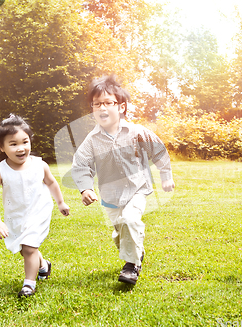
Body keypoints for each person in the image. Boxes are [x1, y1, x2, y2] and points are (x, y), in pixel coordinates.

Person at [71, 75, 175, 285]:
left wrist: (166, 176)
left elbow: (159, 151)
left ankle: (131, 266)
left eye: (108, 102)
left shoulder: (136, 132)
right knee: (120, 232)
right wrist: (85, 189)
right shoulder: (92, 140)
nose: (102, 108)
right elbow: (81, 165)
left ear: (121, 106)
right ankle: (137, 250)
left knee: (129, 220)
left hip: (137, 189)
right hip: (110, 195)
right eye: (97, 104)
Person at [0, 114, 70, 297]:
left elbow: (52, 183)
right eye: (13, 144)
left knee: (30, 247)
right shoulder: (0, 170)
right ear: (2, 147)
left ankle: (29, 284)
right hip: (16, 215)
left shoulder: (39, 165)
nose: (21, 148)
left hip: (39, 211)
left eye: (25, 142)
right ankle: (43, 265)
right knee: (26, 250)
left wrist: (61, 202)